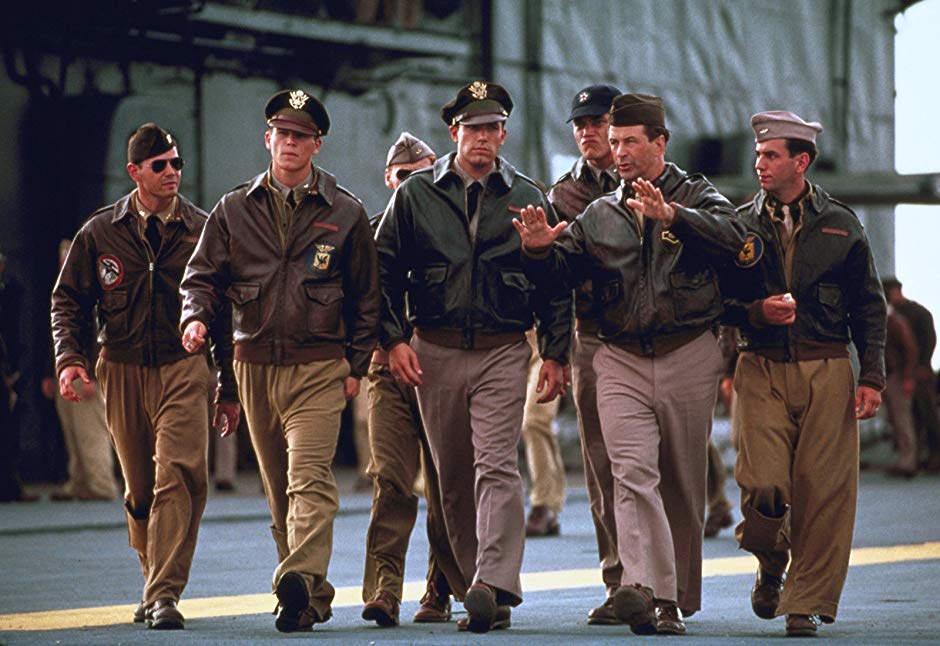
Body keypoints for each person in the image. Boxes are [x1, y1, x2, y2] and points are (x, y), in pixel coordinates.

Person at [516, 93, 744, 635]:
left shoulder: (698, 195)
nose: (617, 151)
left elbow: (737, 240)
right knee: (630, 474)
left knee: (681, 482)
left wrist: (674, 217)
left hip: (687, 351)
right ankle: (644, 590)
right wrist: (539, 250)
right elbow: (561, 274)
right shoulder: (599, 212)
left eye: (629, 142)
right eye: (613, 142)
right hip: (616, 354)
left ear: (660, 143)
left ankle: (674, 594)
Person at [179, 89, 380, 633]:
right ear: (268, 139)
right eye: (282, 134)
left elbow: (367, 298)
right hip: (254, 364)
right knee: (277, 491)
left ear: (317, 145)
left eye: (301, 136)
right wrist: (194, 318)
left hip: (319, 366)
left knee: (308, 480)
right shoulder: (233, 209)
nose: (290, 143)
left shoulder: (346, 212)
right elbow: (201, 278)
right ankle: (307, 598)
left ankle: (295, 576)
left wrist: (356, 366)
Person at [375, 80, 571, 633]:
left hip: (502, 349)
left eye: (492, 127)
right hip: (432, 349)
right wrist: (393, 340)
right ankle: (475, 591)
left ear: (503, 134)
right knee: (453, 476)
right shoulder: (415, 196)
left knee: (496, 465)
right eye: (473, 127)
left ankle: (495, 582)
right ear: (453, 132)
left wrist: (555, 352)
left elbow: (556, 286)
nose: (483, 137)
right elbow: (382, 271)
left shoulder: (528, 196)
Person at [50, 123, 241, 630]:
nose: (173, 172)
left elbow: (225, 313)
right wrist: (70, 358)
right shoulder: (100, 232)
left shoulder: (202, 230)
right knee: (139, 490)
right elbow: (67, 300)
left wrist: (228, 387)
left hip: (184, 366)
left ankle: (164, 593)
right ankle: (153, 578)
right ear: (135, 172)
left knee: (179, 475)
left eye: (177, 163)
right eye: (161, 165)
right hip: (121, 367)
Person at [723, 111, 886, 637]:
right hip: (760, 365)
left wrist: (872, 376)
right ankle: (772, 559)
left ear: (802, 161)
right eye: (758, 154)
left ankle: (806, 603)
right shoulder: (739, 224)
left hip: (827, 366)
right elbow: (715, 300)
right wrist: (755, 313)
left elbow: (869, 306)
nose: (759, 163)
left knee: (823, 495)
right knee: (763, 483)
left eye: (771, 155)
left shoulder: (841, 225)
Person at [360, 131, 464, 626]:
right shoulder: (371, 234)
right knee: (391, 479)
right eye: (402, 176)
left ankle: (440, 589)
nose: (410, 184)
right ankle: (385, 589)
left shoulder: (453, 229)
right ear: (388, 179)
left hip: (441, 368)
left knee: (446, 484)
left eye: (420, 174)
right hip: (387, 370)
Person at [545, 83, 623, 619]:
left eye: (598, 121)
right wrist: (556, 353)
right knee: (603, 465)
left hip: (660, 338)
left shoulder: (659, 182)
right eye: (580, 124)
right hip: (594, 336)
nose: (588, 131)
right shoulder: (563, 196)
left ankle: (666, 584)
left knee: (662, 468)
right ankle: (620, 582)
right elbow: (555, 286)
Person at [45, 240, 119, 502]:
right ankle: (79, 481)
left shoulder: (92, 290)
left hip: (84, 370)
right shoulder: (61, 291)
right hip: (65, 369)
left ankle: (101, 484)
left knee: (91, 430)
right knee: (72, 430)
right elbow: (54, 336)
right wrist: (50, 372)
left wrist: (92, 375)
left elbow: (99, 336)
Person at [882, 276, 940, 471]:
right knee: (912, 415)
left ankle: (934, 455)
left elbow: (928, 340)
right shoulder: (897, 314)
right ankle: (918, 456)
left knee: (927, 413)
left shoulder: (916, 313)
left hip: (919, 372)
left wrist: (922, 365)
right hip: (906, 371)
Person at [882, 302, 919, 476]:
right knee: (897, 419)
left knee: (902, 419)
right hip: (892, 375)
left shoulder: (895, 322)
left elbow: (911, 349)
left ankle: (908, 461)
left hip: (898, 376)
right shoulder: (890, 321)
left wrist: (908, 377)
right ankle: (905, 459)